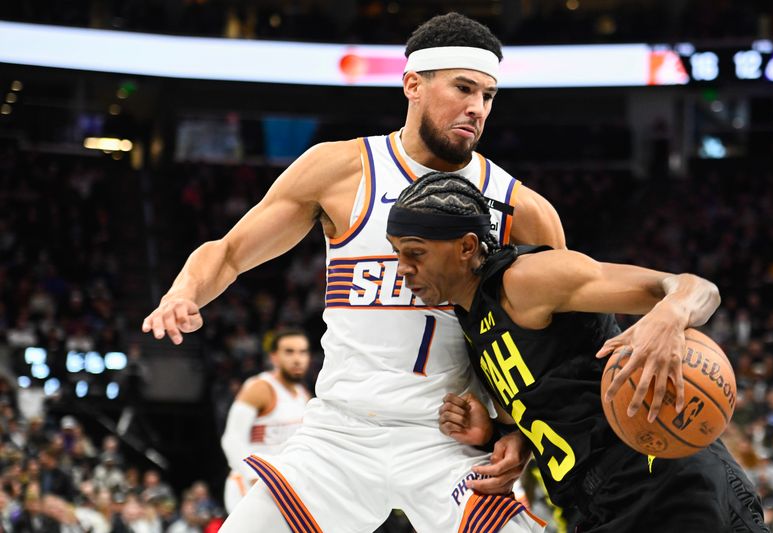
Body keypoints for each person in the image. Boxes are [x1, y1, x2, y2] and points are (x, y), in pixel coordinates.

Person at [142, 12, 679, 532]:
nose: (477, 108)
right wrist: (183, 291)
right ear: (412, 84)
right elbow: (230, 252)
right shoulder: (340, 170)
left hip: (449, 438)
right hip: (338, 435)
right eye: (463, 88)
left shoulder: (522, 209)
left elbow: (555, 353)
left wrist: (515, 429)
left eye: (488, 96)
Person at [386, 172, 769, 532]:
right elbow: (543, 413)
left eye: (415, 253)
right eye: (398, 253)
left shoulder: (524, 279)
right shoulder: (472, 321)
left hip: (669, 484)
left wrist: (670, 315)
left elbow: (697, 288)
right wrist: (498, 433)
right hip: (595, 505)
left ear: (467, 247)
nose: (403, 268)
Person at [220, 329, 311, 513]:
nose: (297, 359)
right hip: (252, 483)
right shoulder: (260, 388)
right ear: (274, 357)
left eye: (303, 352)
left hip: (285, 487)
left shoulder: (303, 395)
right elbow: (231, 439)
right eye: (289, 351)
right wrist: (253, 477)